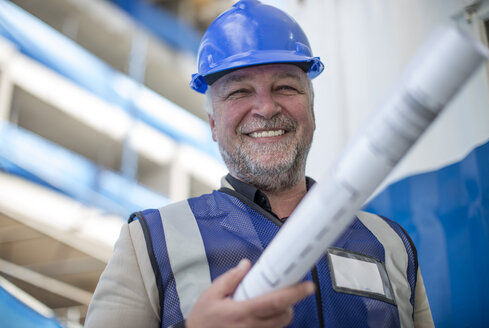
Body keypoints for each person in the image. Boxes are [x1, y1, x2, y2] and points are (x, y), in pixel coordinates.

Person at [85, 1, 434, 327]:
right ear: (212, 125)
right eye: (239, 92)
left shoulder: (390, 243)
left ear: (311, 111)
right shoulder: (149, 241)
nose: (266, 108)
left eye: (285, 87)